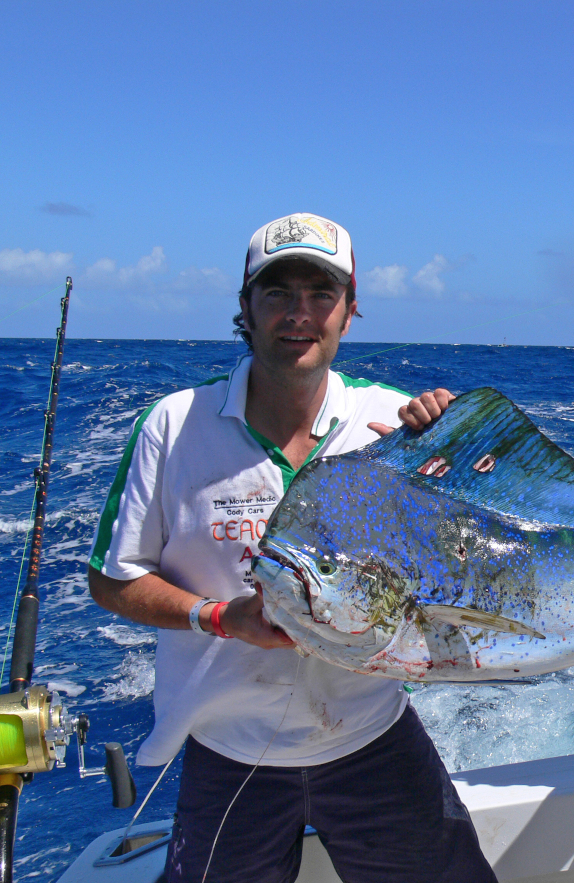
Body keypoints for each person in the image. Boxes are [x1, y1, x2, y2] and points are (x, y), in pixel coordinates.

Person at [88, 213, 495, 883]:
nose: (299, 313)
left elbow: (467, 563)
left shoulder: (393, 426)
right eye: (278, 292)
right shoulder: (171, 426)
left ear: (350, 309)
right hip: (230, 751)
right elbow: (113, 579)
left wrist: (468, 458)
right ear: (245, 307)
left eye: (321, 293)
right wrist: (220, 617)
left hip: (371, 737)